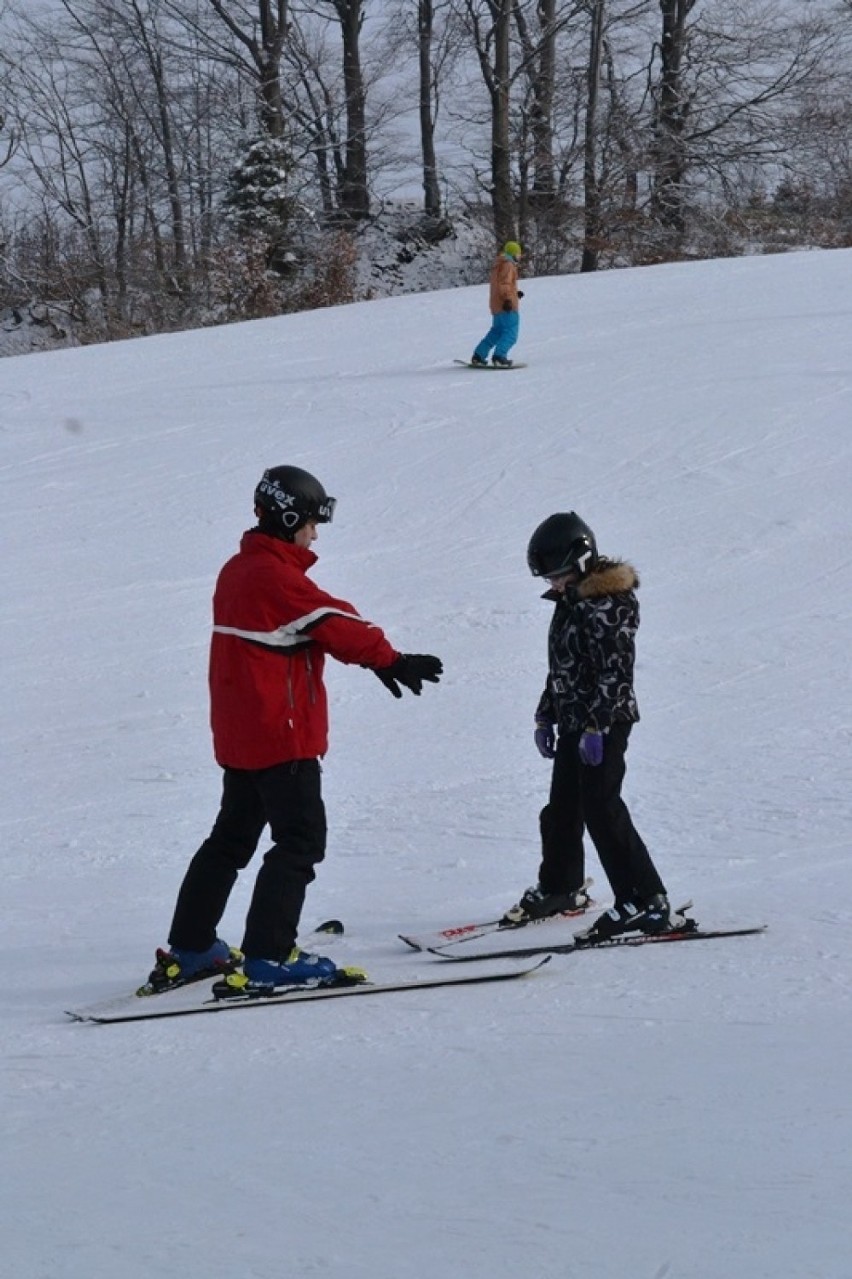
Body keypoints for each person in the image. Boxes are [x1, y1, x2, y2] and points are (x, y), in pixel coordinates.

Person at [144, 465, 443, 991]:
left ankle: (191, 947)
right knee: (300, 840)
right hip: (281, 737)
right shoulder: (273, 577)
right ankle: (270, 955)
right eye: (309, 521)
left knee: (230, 841)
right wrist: (390, 660)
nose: (314, 533)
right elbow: (336, 623)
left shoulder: (238, 570)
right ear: (286, 517)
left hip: (242, 737)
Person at [503, 511, 689, 942]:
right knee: (562, 809)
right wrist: (545, 714)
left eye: (557, 574)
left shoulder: (609, 604)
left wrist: (597, 726)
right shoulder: (571, 602)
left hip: (604, 724)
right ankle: (560, 888)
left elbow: (614, 673)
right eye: (547, 577)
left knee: (602, 809)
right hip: (574, 722)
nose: (552, 584)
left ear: (582, 561)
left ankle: (644, 900)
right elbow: (563, 669)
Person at [471, 240, 523, 368]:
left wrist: (515, 293)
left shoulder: (499, 264)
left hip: (497, 305)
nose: (519, 257)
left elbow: (501, 284)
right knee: (511, 333)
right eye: (518, 254)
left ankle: (479, 355)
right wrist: (508, 299)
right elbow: (504, 284)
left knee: (497, 332)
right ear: (513, 254)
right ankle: (499, 356)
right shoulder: (508, 265)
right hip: (506, 306)